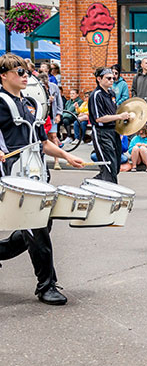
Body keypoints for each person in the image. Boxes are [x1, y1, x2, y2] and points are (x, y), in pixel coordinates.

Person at [0, 54, 86, 305]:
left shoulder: (29, 103)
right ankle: (46, 285)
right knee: (36, 228)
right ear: (3, 75)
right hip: (14, 174)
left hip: (35, 172)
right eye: (19, 72)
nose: (25, 76)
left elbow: (43, 142)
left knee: (42, 224)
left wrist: (67, 156)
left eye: (27, 72)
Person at [90, 68, 133, 183]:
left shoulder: (111, 94)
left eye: (113, 78)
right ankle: (111, 193)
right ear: (99, 79)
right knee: (109, 165)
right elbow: (99, 118)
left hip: (113, 131)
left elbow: (114, 113)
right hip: (101, 132)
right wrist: (119, 117)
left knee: (115, 165)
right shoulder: (96, 95)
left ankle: (95, 183)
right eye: (108, 78)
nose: (111, 80)